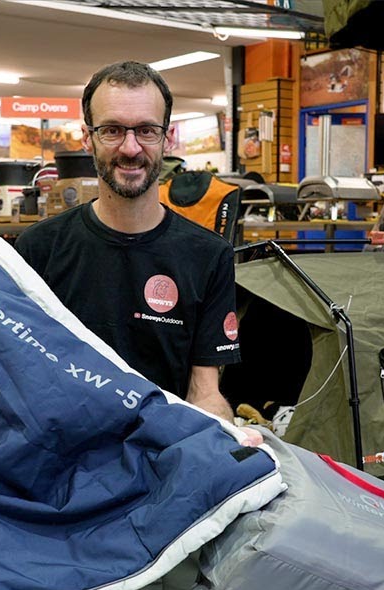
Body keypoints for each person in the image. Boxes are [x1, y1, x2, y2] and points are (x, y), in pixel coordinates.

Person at [16, 61, 255, 441]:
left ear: (167, 138)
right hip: (62, 449)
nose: (130, 148)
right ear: (88, 138)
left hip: (160, 449)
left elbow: (204, 390)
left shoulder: (209, 256)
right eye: (112, 130)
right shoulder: (38, 249)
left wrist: (224, 436)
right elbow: (21, 375)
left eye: (146, 130)